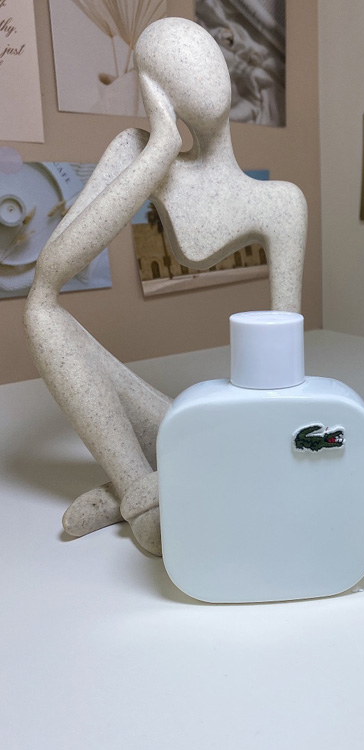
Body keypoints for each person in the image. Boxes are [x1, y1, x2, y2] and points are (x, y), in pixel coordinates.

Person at [24, 18, 307, 555]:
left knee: (206, 436)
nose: (197, 72)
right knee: (39, 311)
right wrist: (158, 151)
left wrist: (265, 446)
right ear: (154, 89)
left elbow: (284, 368)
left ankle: (130, 483)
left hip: (234, 430)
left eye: (203, 56)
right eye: (173, 65)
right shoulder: (137, 151)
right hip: (178, 422)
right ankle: (139, 488)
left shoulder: (280, 203)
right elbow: (49, 276)